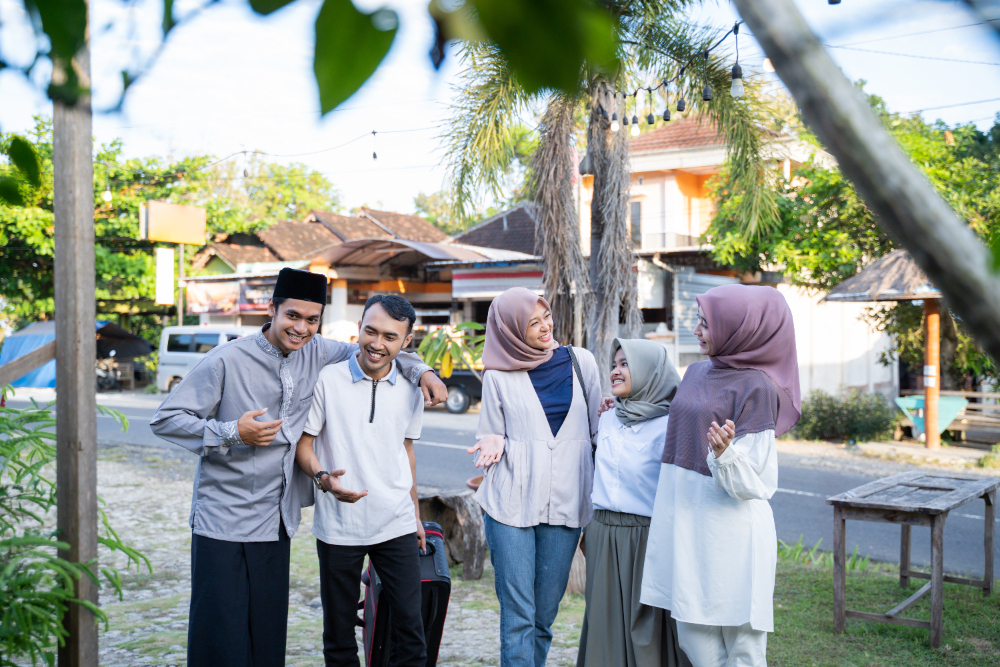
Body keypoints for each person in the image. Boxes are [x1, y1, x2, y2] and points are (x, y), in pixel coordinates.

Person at [150, 269, 447, 667]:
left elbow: (380, 351)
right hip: (223, 517)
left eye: (311, 319)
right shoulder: (226, 359)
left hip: (277, 519)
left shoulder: (321, 351)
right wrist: (231, 432)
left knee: (268, 635)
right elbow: (166, 418)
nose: (301, 328)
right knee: (220, 633)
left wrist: (424, 371)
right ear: (272, 309)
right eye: (292, 316)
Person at [639, 284, 801, 667]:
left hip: (731, 533)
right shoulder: (695, 371)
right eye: (699, 321)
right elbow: (673, 417)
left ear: (738, 328)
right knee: (695, 639)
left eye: (706, 324)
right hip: (685, 520)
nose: (696, 330)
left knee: (742, 648)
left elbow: (758, 483)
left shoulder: (758, 387)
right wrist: (618, 405)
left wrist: (725, 454)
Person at [467, 287, 601, 667]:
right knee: (518, 618)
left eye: (546, 317)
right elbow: (491, 432)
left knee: (543, 616)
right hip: (510, 505)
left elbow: (596, 433)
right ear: (510, 330)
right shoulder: (497, 375)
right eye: (533, 323)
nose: (545, 327)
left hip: (566, 503)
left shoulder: (581, 362)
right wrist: (492, 440)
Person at [295, 294, 428, 667]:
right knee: (338, 637)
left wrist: (415, 515)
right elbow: (304, 445)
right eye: (371, 331)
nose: (377, 343)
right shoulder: (328, 379)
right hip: (338, 527)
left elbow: (406, 452)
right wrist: (323, 478)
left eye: (390, 337)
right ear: (359, 328)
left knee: (411, 634)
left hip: (396, 523)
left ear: (406, 342)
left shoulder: (411, 387)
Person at [577, 338, 690, 667]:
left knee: (648, 624)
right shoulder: (608, 417)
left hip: (646, 535)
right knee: (603, 618)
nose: (615, 370)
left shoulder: (670, 425)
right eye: (614, 364)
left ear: (649, 372)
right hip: (602, 533)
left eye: (626, 364)